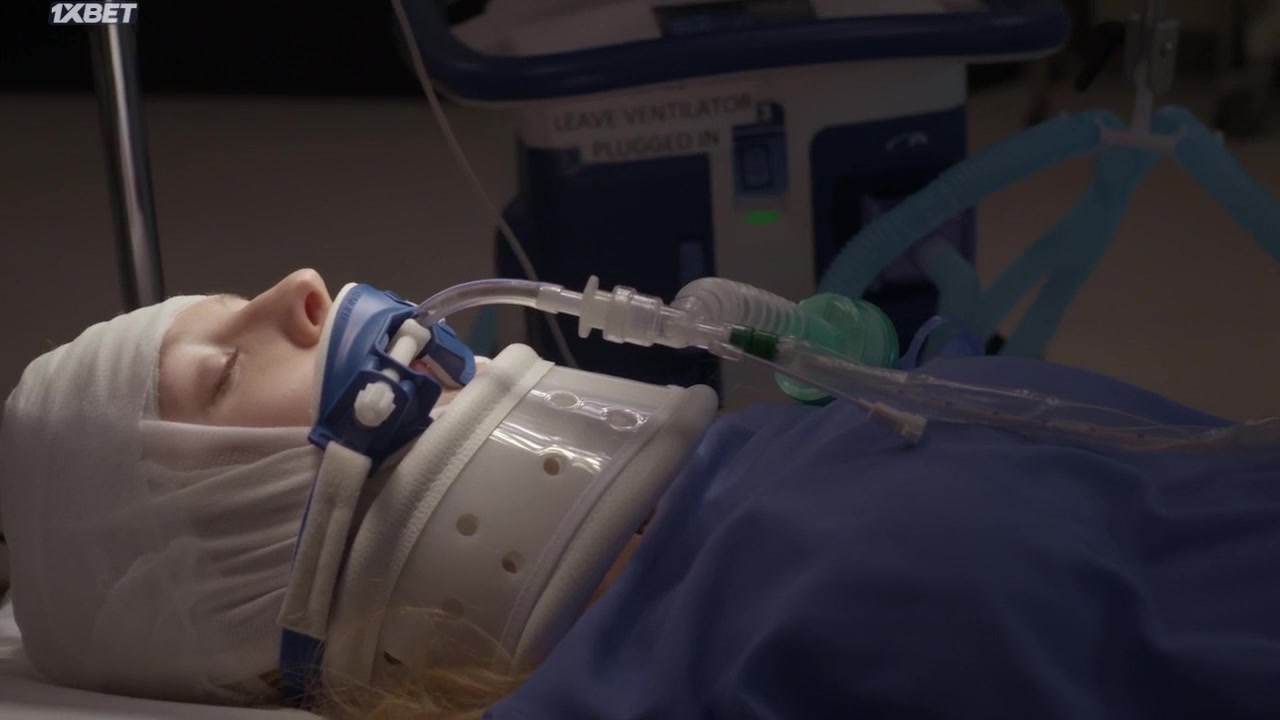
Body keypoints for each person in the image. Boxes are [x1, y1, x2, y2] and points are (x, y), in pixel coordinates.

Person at [2, 268, 1279, 720]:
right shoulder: (723, 659)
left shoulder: (773, 462)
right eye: (221, 370)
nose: (302, 287)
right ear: (225, 563)